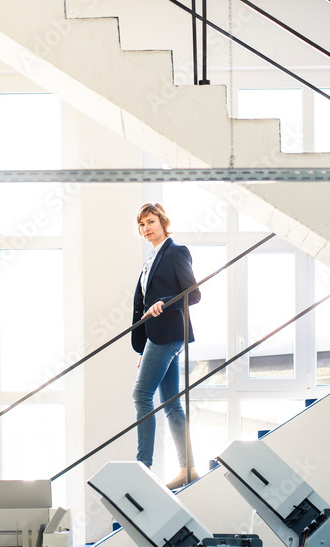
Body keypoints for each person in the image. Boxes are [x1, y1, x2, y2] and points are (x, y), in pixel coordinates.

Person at [130, 202, 201, 489]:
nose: (146, 229)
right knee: (171, 403)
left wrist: (165, 301)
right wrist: (145, 348)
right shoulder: (151, 259)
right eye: (142, 225)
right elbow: (142, 306)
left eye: (150, 222)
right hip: (157, 338)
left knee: (140, 395)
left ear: (162, 222)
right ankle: (188, 467)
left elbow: (193, 293)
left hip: (170, 333)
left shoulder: (175, 252)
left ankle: (143, 466)